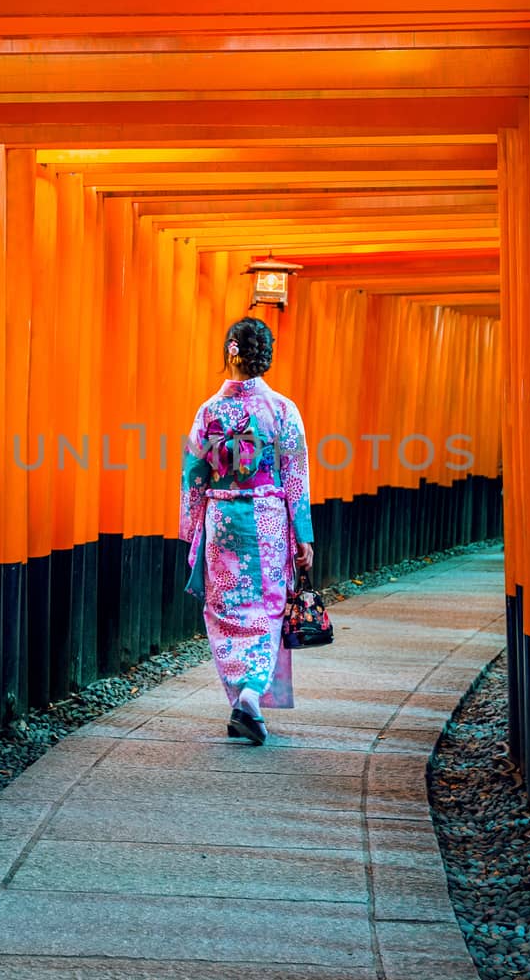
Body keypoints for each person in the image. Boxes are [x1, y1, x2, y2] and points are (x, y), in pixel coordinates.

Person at [179, 317, 315, 745]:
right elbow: (296, 475)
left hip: (221, 520)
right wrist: (303, 533)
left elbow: (194, 476)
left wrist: (191, 531)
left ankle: (242, 697)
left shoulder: (208, 411)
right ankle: (251, 697)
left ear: (230, 352)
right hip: (269, 520)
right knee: (268, 608)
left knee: (224, 610)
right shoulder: (282, 410)